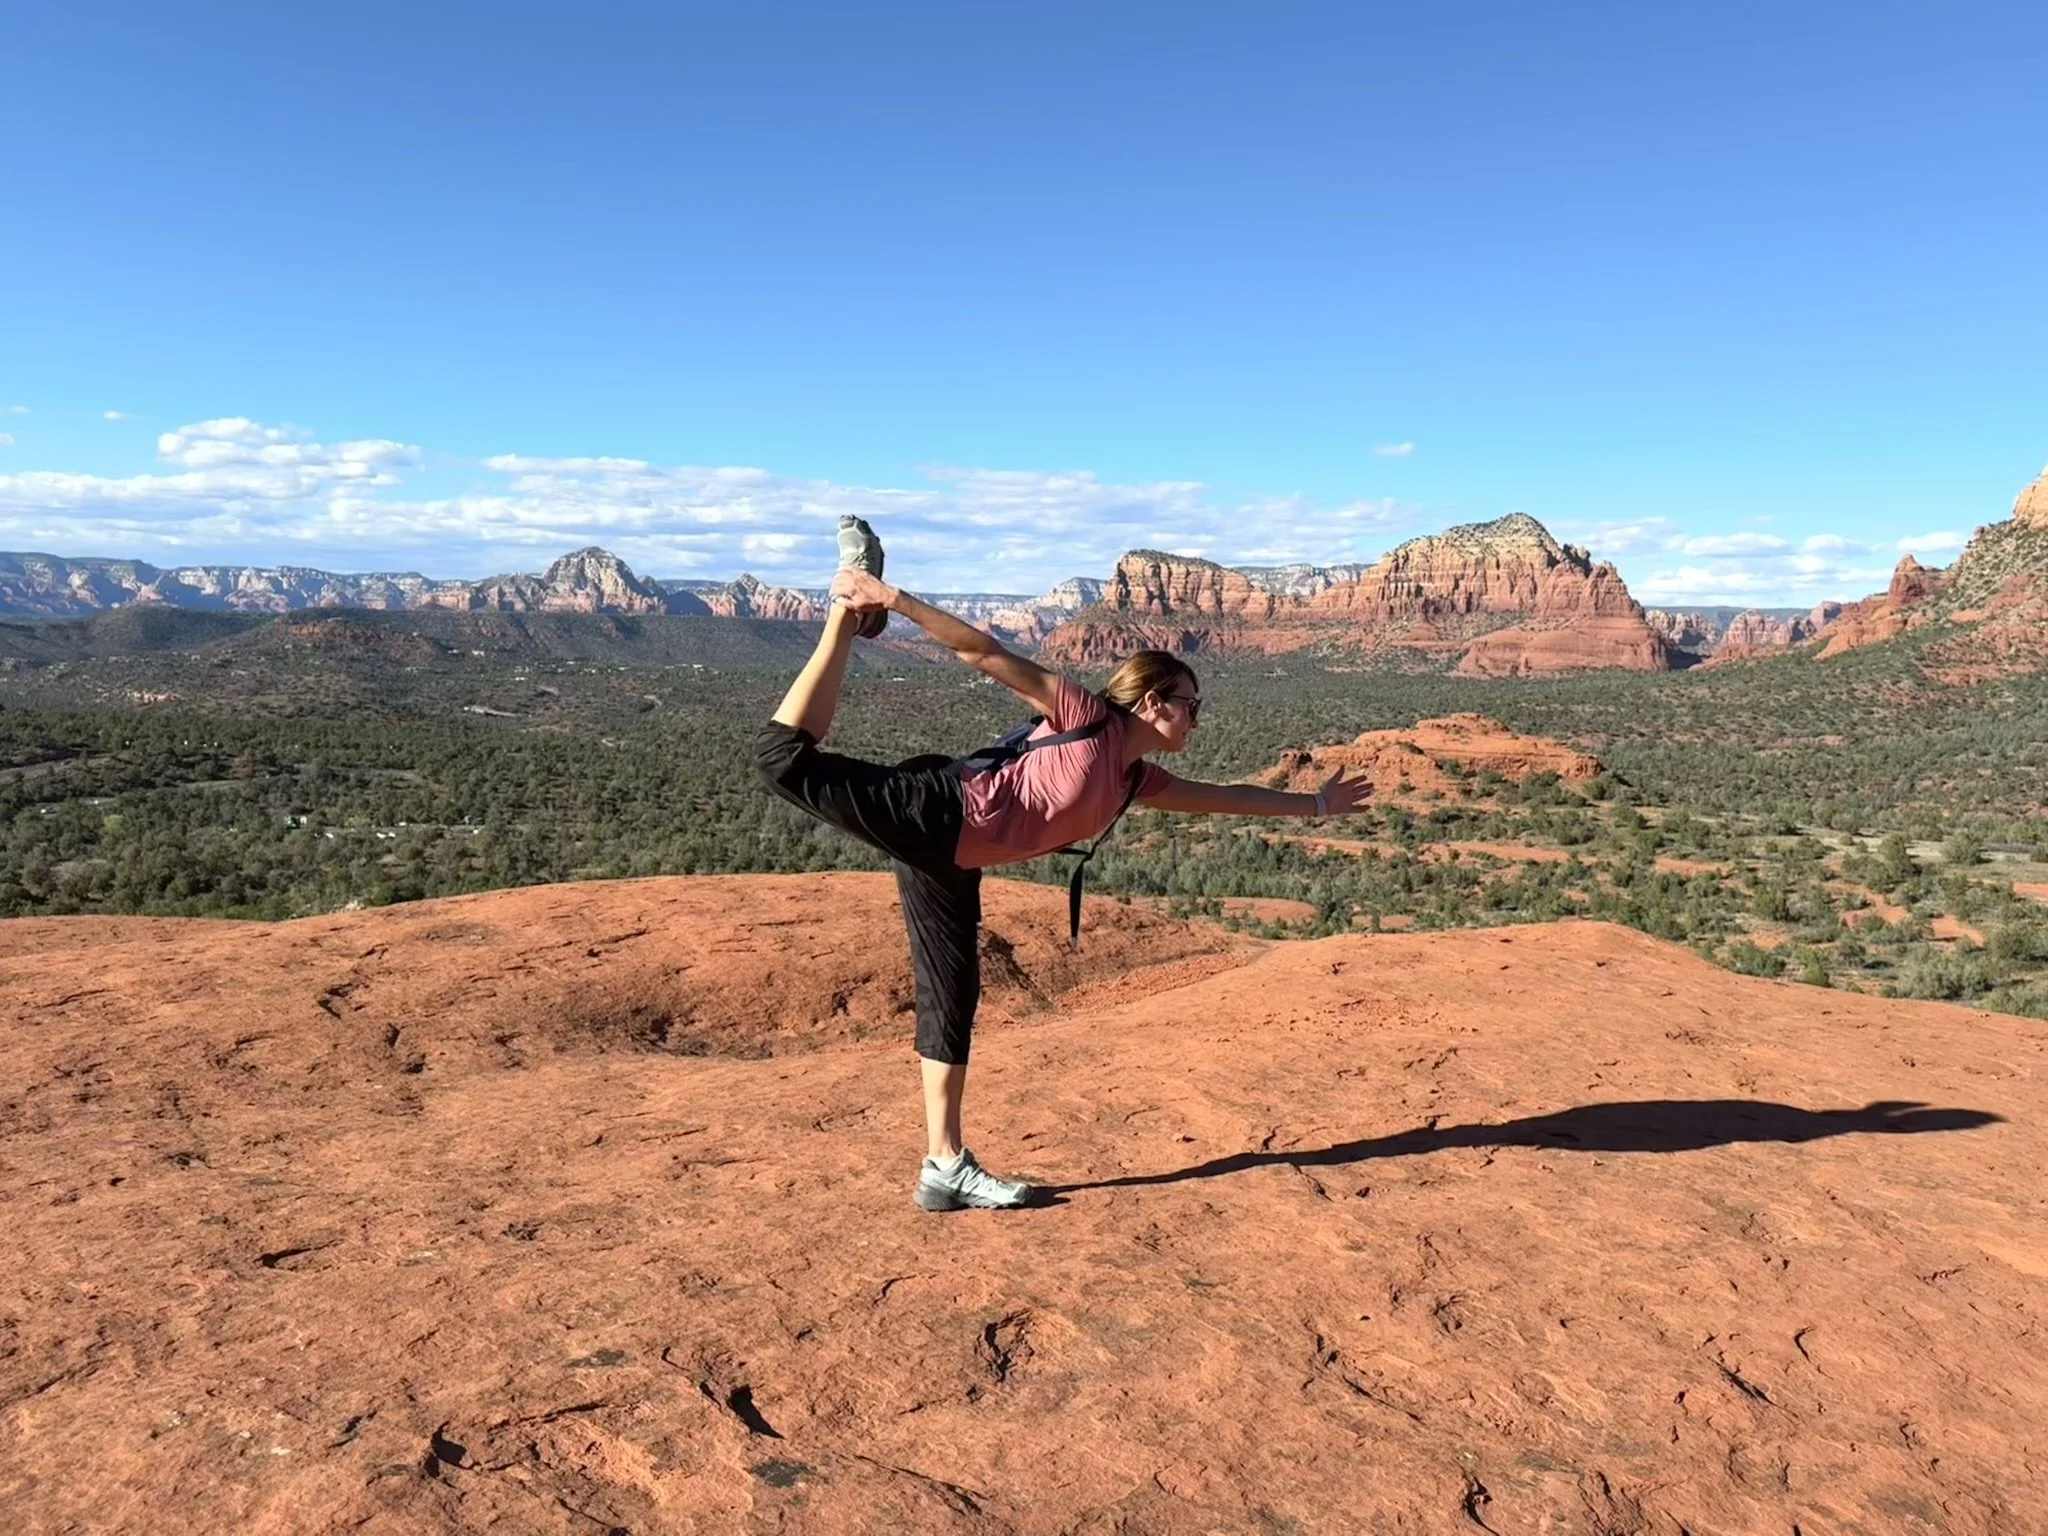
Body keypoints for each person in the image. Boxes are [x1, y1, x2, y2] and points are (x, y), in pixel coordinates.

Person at [755, 517, 1369, 1211]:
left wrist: (1314, 806)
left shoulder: (1137, 777)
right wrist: (891, 601)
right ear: (1153, 702)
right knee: (782, 762)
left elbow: (1223, 798)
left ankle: (943, 1162)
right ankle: (846, 612)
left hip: (953, 862)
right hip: (938, 810)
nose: (1199, 719)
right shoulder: (1088, 718)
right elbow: (985, 653)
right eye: (1192, 705)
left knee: (952, 1001)